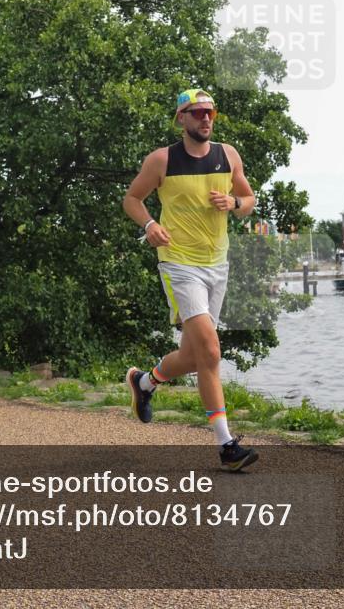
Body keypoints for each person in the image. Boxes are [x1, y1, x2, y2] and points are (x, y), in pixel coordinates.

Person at [122, 88, 259, 471]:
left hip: (218, 264)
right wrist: (149, 224)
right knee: (211, 352)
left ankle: (145, 382)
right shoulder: (161, 160)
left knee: (195, 354)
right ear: (181, 118)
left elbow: (249, 201)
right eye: (197, 112)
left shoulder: (228, 155)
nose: (205, 119)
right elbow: (132, 199)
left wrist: (233, 203)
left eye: (210, 112)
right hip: (179, 264)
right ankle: (227, 446)